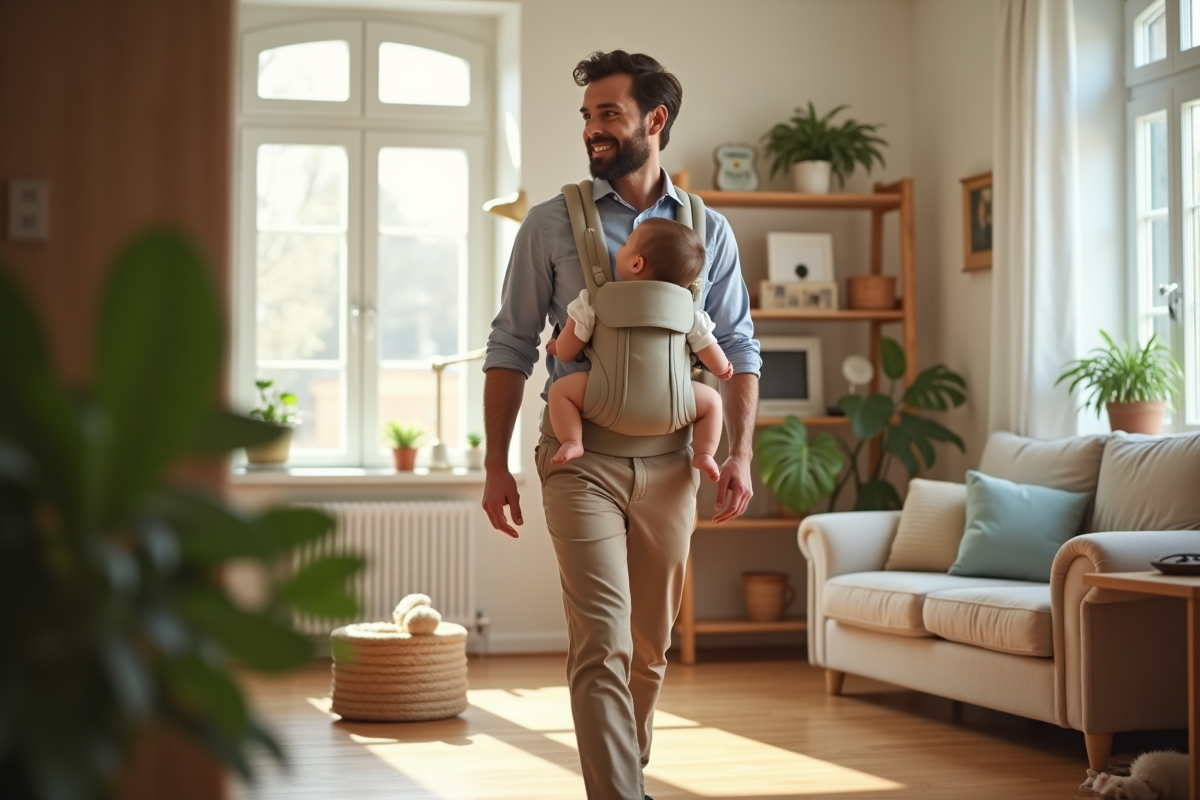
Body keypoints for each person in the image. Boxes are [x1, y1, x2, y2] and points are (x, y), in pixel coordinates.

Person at [481, 49, 761, 800]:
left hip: (675, 466)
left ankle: (620, 776)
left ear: (655, 120)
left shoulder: (710, 232)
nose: (593, 130)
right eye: (587, 117)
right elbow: (510, 347)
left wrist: (737, 455)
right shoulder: (548, 225)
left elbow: (736, 348)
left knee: (649, 647)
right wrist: (496, 464)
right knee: (601, 640)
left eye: (608, 114)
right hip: (582, 464)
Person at [546, 216, 734, 480]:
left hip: (606, 403)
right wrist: (723, 367)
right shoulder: (691, 312)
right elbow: (710, 353)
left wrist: (558, 344)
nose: (618, 249)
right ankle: (704, 453)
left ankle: (573, 441)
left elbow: (568, 352)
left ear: (636, 263)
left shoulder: (592, 301)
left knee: (560, 392)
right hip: (672, 409)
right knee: (713, 401)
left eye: (625, 244)